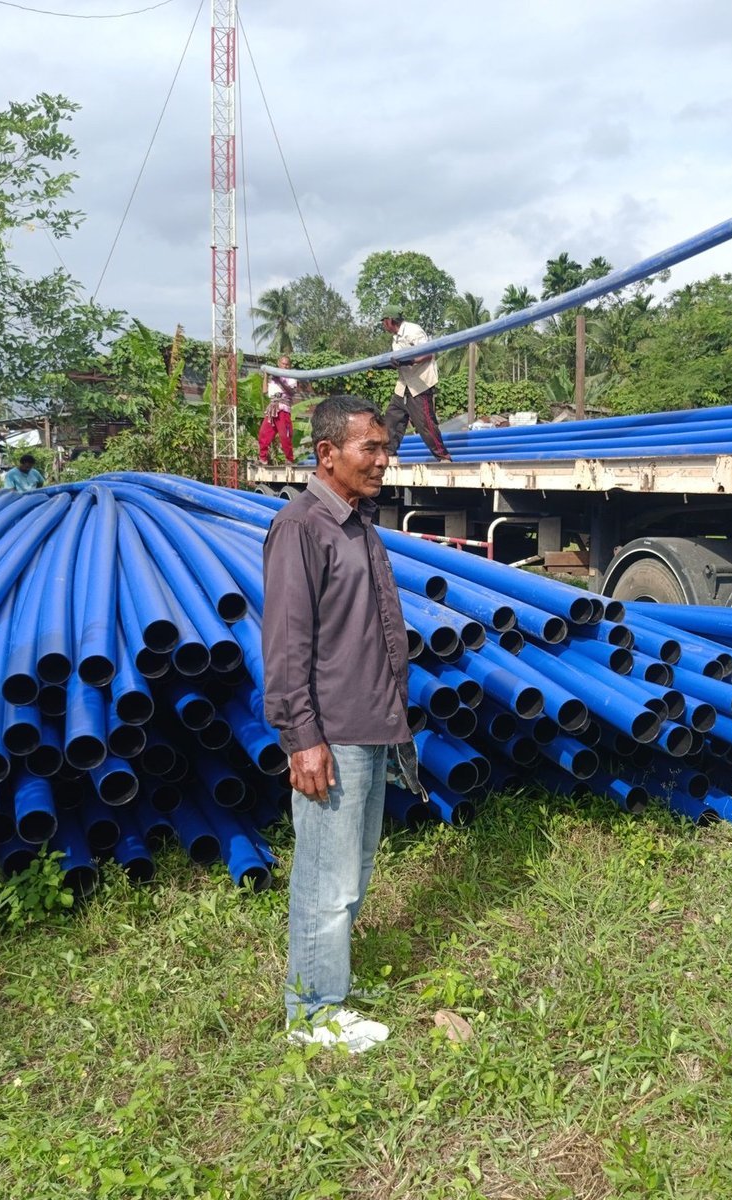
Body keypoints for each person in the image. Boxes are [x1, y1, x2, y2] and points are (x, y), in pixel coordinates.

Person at [262, 393, 413, 1052]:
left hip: (370, 722)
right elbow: (286, 644)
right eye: (369, 449)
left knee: (351, 870)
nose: (383, 460)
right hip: (332, 733)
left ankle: (329, 984)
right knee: (326, 877)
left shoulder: (355, 521)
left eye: (385, 448)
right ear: (327, 454)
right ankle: (312, 1015)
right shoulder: (303, 527)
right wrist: (304, 739)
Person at [378, 303, 452, 461]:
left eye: (384, 321)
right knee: (392, 420)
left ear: (390, 320)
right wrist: (385, 365)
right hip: (404, 385)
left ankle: (443, 457)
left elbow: (428, 353)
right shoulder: (396, 339)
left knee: (425, 424)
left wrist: (409, 360)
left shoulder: (413, 331)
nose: (384, 325)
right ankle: (389, 455)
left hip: (420, 384)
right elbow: (398, 362)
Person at [259, 355, 299, 466]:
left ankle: (289, 459)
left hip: (283, 408)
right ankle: (263, 458)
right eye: (283, 364)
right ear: (278, 364)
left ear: (289, 366)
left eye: (287, 364)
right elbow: (264, 391)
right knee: (264, 433)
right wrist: (266, 375)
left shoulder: (291, 377)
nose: (285, 366)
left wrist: (280, 381)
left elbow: (291, 392)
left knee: (284, 435)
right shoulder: (273, 378)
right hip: (272, 408)